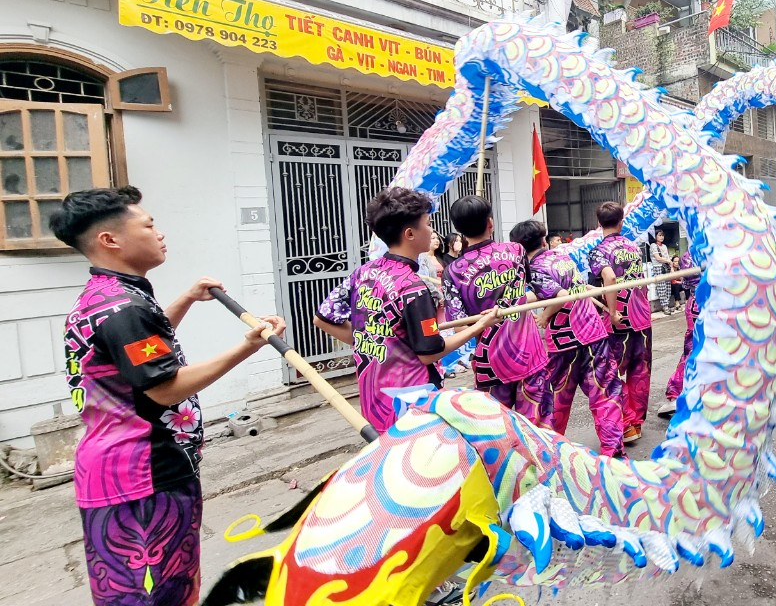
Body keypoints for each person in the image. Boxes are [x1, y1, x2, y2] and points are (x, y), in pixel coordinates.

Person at [50, 186, 287, 606]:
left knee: (130, 587)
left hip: (115, 468)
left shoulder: (107, 295)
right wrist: (248, 346)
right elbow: (164, 386)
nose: (159, 233)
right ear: (110, 240)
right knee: (161, 590)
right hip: (143, 474)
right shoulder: (126, 308)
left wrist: (185, 300)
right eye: (148, 224)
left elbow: (140, 352)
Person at [314, 188, 497, 433]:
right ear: (410, 233)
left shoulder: (364, 273)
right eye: (428, 224)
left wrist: (369, 339)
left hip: (374, 399)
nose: (432, 230)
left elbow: (322, 318)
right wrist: (479, 326)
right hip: (412, 402)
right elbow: (430, 353)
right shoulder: (413, 288)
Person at [511, 220, 623, 457]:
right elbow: (565, 288)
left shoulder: (534, 268)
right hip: (592, 331)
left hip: (564, 341)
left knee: (556, 399)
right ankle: (613, 453)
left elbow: (561, 295)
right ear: (543, 241)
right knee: (604, 394)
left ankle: (553, 455)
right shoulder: (562, 258)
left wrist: (544, 315)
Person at [443, 196, 551, 422]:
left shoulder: (453, 271)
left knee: (498, 432)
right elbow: (527, 288)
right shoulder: (516, 251)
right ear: (490, 223)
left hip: (490, 362)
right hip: (529, 354)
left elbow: (458, 327)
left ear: (459, 230)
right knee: (538, 431)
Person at [588, 201, 653, 444]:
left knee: (611, 372)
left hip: (617, 320)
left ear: (598, 224)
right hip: (641, 316)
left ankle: (626, 424)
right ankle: (635, 423)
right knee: (640, 370)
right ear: (621, 222)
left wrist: (612, 312)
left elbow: (610, 278)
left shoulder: (598, 251)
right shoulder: (633, 247)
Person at [659, 249, 701, 415]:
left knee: (692, 351)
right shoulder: (726, 247)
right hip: (718, 306)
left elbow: (686, 283)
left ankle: (678, 394)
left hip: (698, 303)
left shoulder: (689, 255)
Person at [651, 229, 674, 315]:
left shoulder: (664, 246)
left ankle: (667, 305)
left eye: (662, 235)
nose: (661, 237)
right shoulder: (653, 246)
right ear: (655, 236)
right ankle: (664, 306)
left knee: (668, 287)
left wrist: (671, 267)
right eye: (659, 235)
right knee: (661, 287)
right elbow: (658, 258)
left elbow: (668, 257)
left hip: (666, 267)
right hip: (658, 267)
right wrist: (668, 261)